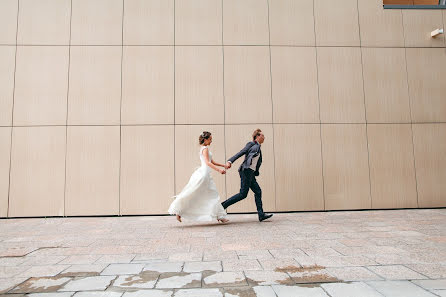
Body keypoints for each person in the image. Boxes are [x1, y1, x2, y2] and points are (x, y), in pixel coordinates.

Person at [168, 131, 229, 223]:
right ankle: (179, 211)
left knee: (211, 194)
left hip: (207, 174)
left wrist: (223, 165)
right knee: (198, 194)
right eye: (210, 139)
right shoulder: (205, 149)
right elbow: (207, 163)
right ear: (205, 139)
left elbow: (213, 162)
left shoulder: (205, 148)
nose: (211, 141)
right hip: (204, 174)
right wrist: (219, 170)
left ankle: (220, 216)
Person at [221, 129, 273, 222]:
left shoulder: (258, 147)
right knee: (243, 194)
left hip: (251, 173)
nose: (264, 137)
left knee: (258, 191)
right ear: (257, 136)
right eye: (262, 135)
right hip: (246, 171)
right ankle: (222, 206)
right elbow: (241, 152)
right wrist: (230, 161)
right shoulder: (251, 144)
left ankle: (261, 215)